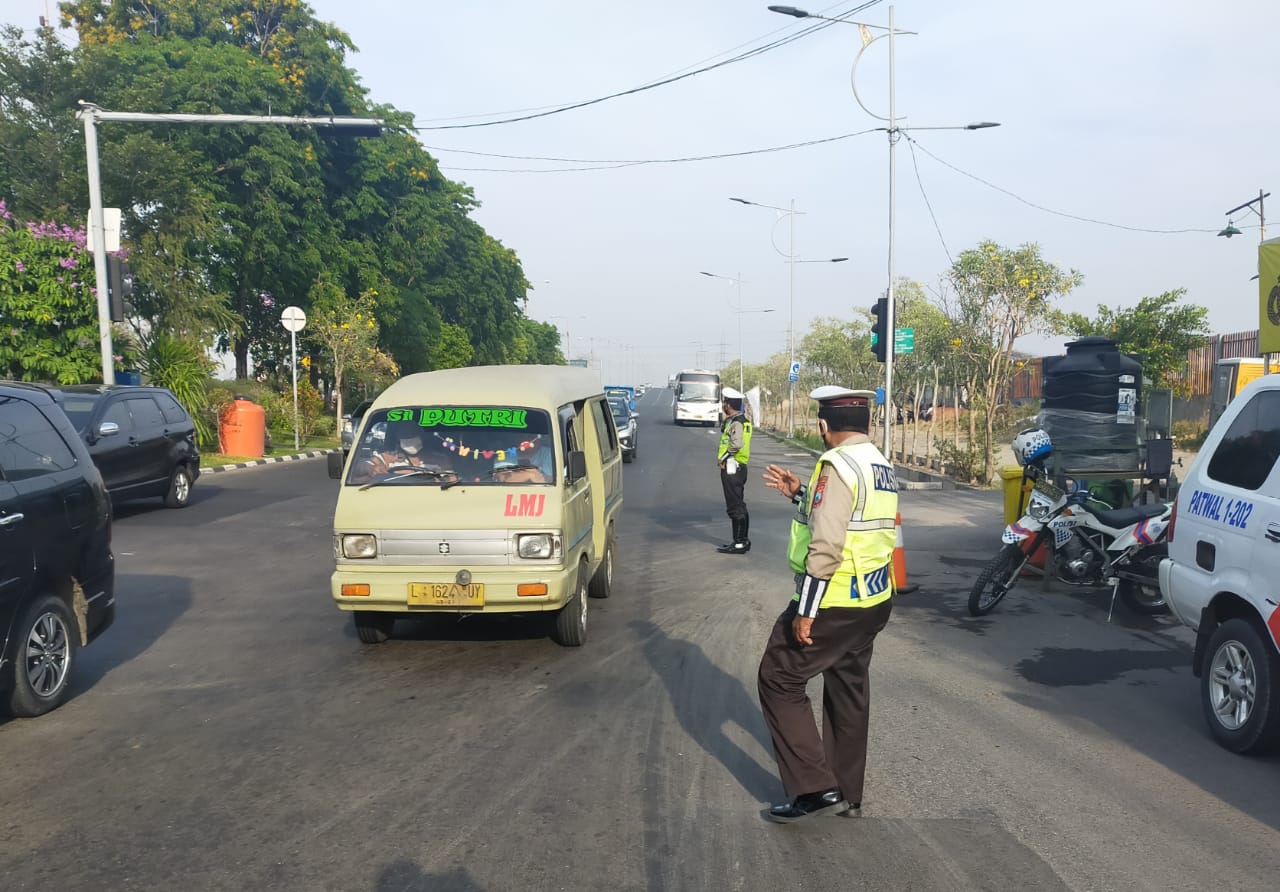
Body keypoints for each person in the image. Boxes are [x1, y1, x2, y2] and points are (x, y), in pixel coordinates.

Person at [756, 386, 899, 823]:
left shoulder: (835, 465)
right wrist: (801, 493)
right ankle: (848, 793)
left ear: (824, 425)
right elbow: (852, 519)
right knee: (848, 688)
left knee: (778, 678)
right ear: (866, 424)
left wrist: (807, 609)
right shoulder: (879, 464)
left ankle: (815, 790)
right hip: (874, 598)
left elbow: (828, 543)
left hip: (834, 601)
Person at [716, 386, 753, 554]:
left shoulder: (737, 423)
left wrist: (723, 458)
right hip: (739, 467)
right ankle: (741, 541)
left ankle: (739, 543)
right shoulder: (742, 420)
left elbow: (737, 444)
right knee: (738, 504)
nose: (723, 405)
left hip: (733, 466)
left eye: (725, 402)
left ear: (729, 405)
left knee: (735, 506)